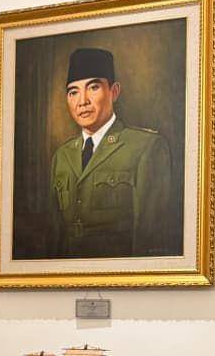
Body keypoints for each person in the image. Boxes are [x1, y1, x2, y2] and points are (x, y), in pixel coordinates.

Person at [48, 47, 175, 259]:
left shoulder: (147, 148)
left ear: (114, 92)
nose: (82, 101)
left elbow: (150, 236)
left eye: (93, 87)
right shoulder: (62, 156)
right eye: (73, 92)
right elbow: (54, 237)